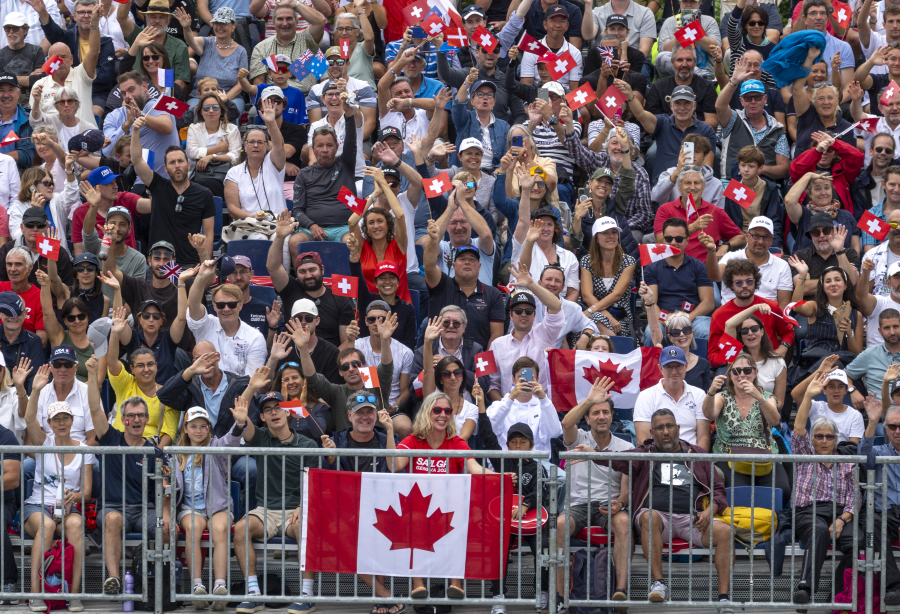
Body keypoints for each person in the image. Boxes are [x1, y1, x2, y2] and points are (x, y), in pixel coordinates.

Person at [607, 407, 731, 607]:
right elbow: (617, 459)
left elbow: (718, 489)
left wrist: (710, 511)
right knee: (649, 517)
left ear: (678, 428)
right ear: (651, 432)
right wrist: (592, 453)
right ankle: (659, 584)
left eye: (669, 426)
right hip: (658, 520)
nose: (665, 432)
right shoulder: (645, 453)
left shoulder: (697, 453)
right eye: (659, 428)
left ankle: (724, 599)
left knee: (725, 532)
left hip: (691, 519)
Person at [390, 391, 497, 599]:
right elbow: (395, 465)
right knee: (415, 521)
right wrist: (388, 431)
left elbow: (473, 467)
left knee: (458, 521)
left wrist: (499, 477)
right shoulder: (413, 440)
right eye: (437, 410)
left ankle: (455, 583)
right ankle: (418, 584)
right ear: (426, 412)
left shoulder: (455, 442)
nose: (443, 415)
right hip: (419, 506)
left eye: (447, 411)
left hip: (448, 505)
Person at [86, 354, 170, 595]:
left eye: (141, 416)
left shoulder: (156, 453)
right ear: (123, 419)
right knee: (112, 519)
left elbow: (166, 486)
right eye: (131, 416)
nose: (136, 420)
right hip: (115, 507)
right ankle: (114, 579)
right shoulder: (111, 439)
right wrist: (92, 376)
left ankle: (159, 583)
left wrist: (165, 514)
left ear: (146, 419)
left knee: (165, 527)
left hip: (146, 510)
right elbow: (94, 407)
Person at [230, 391, 319, 614]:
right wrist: (244, 409)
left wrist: (302, 505)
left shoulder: (308, 444)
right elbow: (245, 424)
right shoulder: (260, 437)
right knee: (241, 529)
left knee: (304, 528)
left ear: (288, 411)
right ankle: (253, 594)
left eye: (278, 407)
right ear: (262, 417)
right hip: (266, 510)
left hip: (295, 510)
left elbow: (314, 484)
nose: (274, 412)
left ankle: (306, 595)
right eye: (268, 410)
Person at [22, 366, 92, 613]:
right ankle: (35, 592)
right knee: (47, 525)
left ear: (72, 420)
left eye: (65, 418)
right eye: (56, 419)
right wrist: (35, 390)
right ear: (50, 423)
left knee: (75, 524)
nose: (61, 423)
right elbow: (29, 419)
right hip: (38, 506)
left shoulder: (85, 449)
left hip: (67, 509)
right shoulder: (44, 441)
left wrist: (75, 496)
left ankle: (74, 594)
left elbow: (87, 490)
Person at [792, 371, 859, 606]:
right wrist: (809, 397)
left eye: (829, 437)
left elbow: (855, 496)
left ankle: (837, 594)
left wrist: (842, 519)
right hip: (809, 512)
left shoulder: (846, 462)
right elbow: (799, 429)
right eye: (818, 436)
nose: (823, 440)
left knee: (858, 544)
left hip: (840, 512)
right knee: (819, 531)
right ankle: (805, 588)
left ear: (836, 440)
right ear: (812, 439)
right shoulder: (804, 455)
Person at [173, 405, 242, 608]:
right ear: (185, 428)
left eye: (203, 426)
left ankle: (220, 586)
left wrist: (239, 424)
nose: (198, 431)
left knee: (219, 528)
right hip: (189, 508)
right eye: (193, 426)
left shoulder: (216, 447)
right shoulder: (176, 454)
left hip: (217, 507)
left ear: (209, 429)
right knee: (193, 527)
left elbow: (231, 440)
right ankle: (197, 587)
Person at [129, 116, 214, 268]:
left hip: (190, 263)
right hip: (160, 263)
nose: (177, 166)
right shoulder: (157, 186)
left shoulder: (204, 194)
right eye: (172, 163)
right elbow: (136, 160)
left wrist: (205, 266)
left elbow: (208, 234)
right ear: (166, 168)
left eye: (180, 161)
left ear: (188, 165)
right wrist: (135, 131)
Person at [703, 352, 790, 498]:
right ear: (730, 374)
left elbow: (775, 421)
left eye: (747, 370)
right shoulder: (722, 397)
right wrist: (711, 392)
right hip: (728, 456)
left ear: (755, 373)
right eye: (736, 371)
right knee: (738, 490)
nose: (742, 375)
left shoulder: (767, 397)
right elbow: (709, 414)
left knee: (781, 489)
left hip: (764, 456)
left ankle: (770, 520)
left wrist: (759, 397)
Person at [297, 314, 399, 437]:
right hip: (345, 452)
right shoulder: (335, 392)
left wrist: (384, 339)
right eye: (345, 366)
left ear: (364, 366)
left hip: (378, 448)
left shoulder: (376, 386)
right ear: (340, 372)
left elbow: (387, 367)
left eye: (355, 364)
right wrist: (303, 348)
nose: (351, 369)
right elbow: (312, 377)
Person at [291, 79, 358, 249]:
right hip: (311, 228)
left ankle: (351, 277)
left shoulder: (346, 164)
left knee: (351, 242)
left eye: (329, 145)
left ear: (337, 147)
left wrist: (349, 115)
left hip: (343, 228)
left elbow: (351, 139)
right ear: (313, 148)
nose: (325, 150)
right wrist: (312, 226)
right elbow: (297, 210)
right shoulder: (304, 174)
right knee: (294, 242)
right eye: (320, 146)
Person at [267, 219, 353, 348]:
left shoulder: (340, 298)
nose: (308, 275)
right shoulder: (290, 289)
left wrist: (326, 362)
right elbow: (273, 267)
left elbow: (346, 342)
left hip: (328, 361)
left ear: (322, 269)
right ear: (296, 273)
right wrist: (280, 237)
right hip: (293, 360)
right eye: (302, 271)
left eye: (312, 270)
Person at [423, 217, 505, 352]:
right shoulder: (441, 285)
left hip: (478, 362)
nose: (467, 262)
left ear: (479, 266)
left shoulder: (493, 294)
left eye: (472, 259)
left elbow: (496, 335)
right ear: (454, 265)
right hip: (439, 358)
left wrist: (484, 364)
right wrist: (433, 240)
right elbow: (429, 267)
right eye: (462, 259)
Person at [488, 262, 564, 397]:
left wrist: (532, 285)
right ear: (510, 315)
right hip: (509, 411)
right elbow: (493, 385)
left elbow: (556, 306)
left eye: (528, 310)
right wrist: (505, 408)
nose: (523, 314)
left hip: (540, 409)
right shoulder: (497, 345)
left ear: (534, 315)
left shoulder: (545, 333)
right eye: (518, 310)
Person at [107, 306, 180, 447]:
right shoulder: (125, 384)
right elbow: (112, 363)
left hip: (151, 452)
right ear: (132, 369)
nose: (146, 369)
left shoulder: (168, 394)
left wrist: (154, 458)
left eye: (150, 364)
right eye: (140, 365)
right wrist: (115, 334)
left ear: (156, 366)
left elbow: (169, 432)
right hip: (119, 449)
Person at [186, 258, 267, 377]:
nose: (226, 309)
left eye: (232, 304)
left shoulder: (255, 338)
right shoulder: (206, 325)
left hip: (240, 394)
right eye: (220, 305)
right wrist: (201, 276)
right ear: (214, 306)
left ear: (240, 305)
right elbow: (193, 305)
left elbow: (252, 383)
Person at [857, 385, 900, 606]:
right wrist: (872, 422)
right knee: (872, 524)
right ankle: (893, 586)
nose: (898, 431)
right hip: (887, 514)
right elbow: (863, 456)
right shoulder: (881, 452)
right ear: (887, 429)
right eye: (892, 426)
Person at [708, 259, 794, 369]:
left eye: (749, 281)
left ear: (755, 282)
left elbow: (788, 331)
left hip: (768, 363)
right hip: (736, 369)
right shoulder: (719, 314)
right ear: (731, 285)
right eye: (739, 282)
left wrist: (783, 348)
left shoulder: (771, 307)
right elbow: (712, 356)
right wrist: (729, 360)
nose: (744, 286)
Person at [36, 0, 116, 117]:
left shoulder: (106, 42)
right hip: (67, 90)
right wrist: (43, 13)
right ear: (74, 16)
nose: (86, 16)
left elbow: (105, 75)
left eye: (90, 12)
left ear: (97, 16)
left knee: (95, 113)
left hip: (96, 92)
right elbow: (53, 33)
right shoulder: (68, 36)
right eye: (81, 12)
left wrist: (75, 74)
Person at [642, 219, 714, 346]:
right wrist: (669, 322)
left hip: (693, 318)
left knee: (706, 331)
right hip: (662, 319)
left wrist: (685, 320)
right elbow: (651, 302)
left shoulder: (699, 266)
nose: (673, 243)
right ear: (663, 240)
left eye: (679, 239)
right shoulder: (652, 268)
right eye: (669, 239)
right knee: (649, 333)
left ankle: (703, 366)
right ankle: (654, 366)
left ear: (687, 240)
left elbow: (708, 303)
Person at [653, 167, 744, 263]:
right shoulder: (665, 210)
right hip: (673, 268)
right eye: (687, 183)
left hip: (705, 272)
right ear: (679, 187)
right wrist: (693, 227)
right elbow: (661, 241)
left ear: (703, 187)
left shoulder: (715, 212)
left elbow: (740, 237)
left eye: (697, 183)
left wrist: (725, 246)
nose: (692, 187)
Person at [30, 6, 99, 129]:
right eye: (56, 58)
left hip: (84, 139)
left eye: (64, 57)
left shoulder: (82, 75)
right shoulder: (39, 85)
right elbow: (35, 122)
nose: (60, 61)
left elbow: (93, 51)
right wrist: (36, 102)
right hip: (54, 142)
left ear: (72, 59)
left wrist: (94, 24)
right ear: (48, 61)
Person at [347, 167, 411, 303]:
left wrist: (383, 183)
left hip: (400, 309)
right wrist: (375, 194)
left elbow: (399, 215)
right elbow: (352, 222)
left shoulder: (399, 245)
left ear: (388, 226)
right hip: (370, 311)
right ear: (366, 228)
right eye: (371, 223)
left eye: (380, 221)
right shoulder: (362, 247)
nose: (376, 226)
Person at [716, 67, 790, 182]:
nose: (753, 101)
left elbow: (783, 168)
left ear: (765, 99)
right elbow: (719, 107)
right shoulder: (733, 119)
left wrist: (760, 170)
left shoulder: (777, 129)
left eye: (758, 97)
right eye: (748, 98)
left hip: (764, 185)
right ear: (741, 101)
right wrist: (733, 82)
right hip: (733, 182)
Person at [789, 261, 864, 369]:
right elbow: (796, 307)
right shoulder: (814, 307)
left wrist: (849, 334)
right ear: (823, 287)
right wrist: (802, 276)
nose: (833, 284)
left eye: (837, 280)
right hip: (815, 364)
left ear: (845, 285)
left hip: (844, 367)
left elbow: (858, 355)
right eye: (828, 281)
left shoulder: (856, 315)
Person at [347, 236, 416, 352]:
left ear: (398, 282)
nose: (387, 282)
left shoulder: (408, 309)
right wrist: (354, 255)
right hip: (366, 357)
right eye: (382, 278)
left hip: (397, 359)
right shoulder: (366, 300)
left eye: (392, 278)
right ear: (376, 283)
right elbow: (357, 275)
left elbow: (408, 345)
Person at [223, 98, 286, 220]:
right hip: (249, 224)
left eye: (260, 142)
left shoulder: (273, 163)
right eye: (251, 142)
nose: (256, 145)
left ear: (267, 146)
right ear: (244, 146)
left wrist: (271, 123)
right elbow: (232, 209)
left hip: (278, 225)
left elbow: (279, 146)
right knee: (258, 237)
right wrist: (253, 217)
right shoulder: (234, 173)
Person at [708, 216, 791, 306]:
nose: (760, 241)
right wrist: (711, 251)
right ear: (747, 236)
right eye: (756, 236)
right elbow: (714, 277)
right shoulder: (730, 257)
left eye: (766, 237)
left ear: (772, 240)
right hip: (731, 316)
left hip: (765, 317)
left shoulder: (782, 266)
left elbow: (784, 305)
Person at [179, 7, 247, 116]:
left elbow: (241, 84)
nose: (219, 27)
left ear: (233, 26)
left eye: (223, 23)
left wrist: (224, 99)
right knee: (193, 113)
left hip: (229, 97)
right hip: (200, 96)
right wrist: (187, 28)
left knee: (231, 113)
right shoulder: (207, 42)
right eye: (216, 23)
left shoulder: (241, 52)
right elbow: (190, 41)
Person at [420, 316, 479, 441]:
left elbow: (462, 439)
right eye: (446, 373)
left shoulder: (471, 408)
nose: (453, 377)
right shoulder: (432, 399)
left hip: (457, 457)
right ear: (440, 379)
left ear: (463, 376)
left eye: (457, 373)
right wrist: (427, 341)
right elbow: (428, 370)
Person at [486, 355, 562, 452]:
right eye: (521, 378)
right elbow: (491, 429)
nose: (525, 381)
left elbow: (554, 432)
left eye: (530, 378)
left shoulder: (544, 406)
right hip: (506, 464)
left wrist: (543, 398)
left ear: (537, 380)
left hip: (536, 464)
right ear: (513, 380)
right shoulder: (498, 405)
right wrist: (511, 398)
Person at [247, 1, 325, 94]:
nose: (284, 23)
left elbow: (320, 21)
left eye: (289, 18)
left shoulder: (307, 39)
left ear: (296, 21)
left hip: (306, 99)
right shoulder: (261, 47)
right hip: (273, 99)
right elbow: (258, 84)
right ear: (274, 22)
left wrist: (294, 3)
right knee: (253, 110)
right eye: (280, 19)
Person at [579, 216, 637, 338]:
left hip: (621, 319)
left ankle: (612, 348)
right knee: (596, 318)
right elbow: (587, 296)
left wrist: (592, 311)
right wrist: (607, 316)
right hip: (595, 315)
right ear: (596, 239)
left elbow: (616, 295)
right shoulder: (586, 261)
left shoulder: (629, 261)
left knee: (595, 318)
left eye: (614, 232)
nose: (611, 236)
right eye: (605, 233)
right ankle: (615, 348)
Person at [73, 165, 149, 256]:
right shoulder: (80, 213)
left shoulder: (124, 198)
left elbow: (151, 206)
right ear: (94, 189)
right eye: (109, 183)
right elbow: (79, 254)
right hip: (99, 265)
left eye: (115, 182)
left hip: (129, 265)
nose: (116, 186)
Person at [792, 47, 856, 156]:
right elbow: (797, 87)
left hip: (835, 172)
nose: (826, 102)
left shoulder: (846, 128)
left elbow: (853, 159)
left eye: (830, 98)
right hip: (806, 171)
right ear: (813, 101)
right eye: (821, 98)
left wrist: (835, 69)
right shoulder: (806, 117)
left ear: (837, 101)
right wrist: (809, 59)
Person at [35, 267, 95, 381]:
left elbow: (98, 381)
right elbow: (47, 313)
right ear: (65, 321)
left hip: (86, 395)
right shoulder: (59, 336)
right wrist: (45, 285)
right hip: (58, 393)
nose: (77, 321)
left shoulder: (97, 342)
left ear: (87, 317)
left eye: (81, 317)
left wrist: (77, 393)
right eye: (71, 318)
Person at [117, 0, 190, 92]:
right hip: (136, 94)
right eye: (153, 17)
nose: (157, 21)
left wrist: (160, 99)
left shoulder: (179, 46)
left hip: (165, 96)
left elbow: (180, 82)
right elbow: (121, 18)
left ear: (169, 20)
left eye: (162, 17)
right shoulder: (138, 35)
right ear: (146, 19)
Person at [790, 131, 864, 220]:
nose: (824, 152)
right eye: (821, 148)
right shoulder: (804, 171)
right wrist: (816, 152)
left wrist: (835, 143)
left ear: (834, 154)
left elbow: (858, 157)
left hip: (839, 223)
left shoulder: (843, 171)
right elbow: (794, 168)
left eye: (829, 149)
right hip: (806, 223)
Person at [644, 297, 712, 392]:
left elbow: (706, 397)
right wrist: (649, 302)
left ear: (692, 333)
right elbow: (654, 329)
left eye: (686, 331)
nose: (682, 334)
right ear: (670, 337)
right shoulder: (663, 357)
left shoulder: (703, 364)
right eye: (676, 332)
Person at [10, 163, 79, 256]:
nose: (51, 186)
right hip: (33, 261)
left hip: (59, 259)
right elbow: (17, 235)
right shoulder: (18, 208)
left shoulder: (55, 200)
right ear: (32, 186)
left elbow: (72, 194)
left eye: (51, 183)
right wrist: (35, 213)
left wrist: (69, 171)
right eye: (46, 183)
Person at [185, 91, 241, 198]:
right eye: (206, 108)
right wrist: (218, 148)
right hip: (198, 175)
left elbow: (234, 157)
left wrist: (211, 157)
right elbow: (192, 153)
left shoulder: (232, 129)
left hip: (225, 176)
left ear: (221, 110)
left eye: (215, 107)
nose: (211, 111)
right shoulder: (194, 128)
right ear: (201, 111)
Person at [792, 365, 864, 443]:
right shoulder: (816, 407)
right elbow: (796, 394)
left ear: (845, 390)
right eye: (831, 386)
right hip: (816, 454)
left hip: (842, 454)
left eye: (840, 386)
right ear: (824, 390)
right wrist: (818, 372)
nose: (836, 390)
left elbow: (852, 448)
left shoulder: (855, 416)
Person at [654, 0, 721, 80]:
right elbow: (662, 51)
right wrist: (677, 38)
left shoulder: (709, 21)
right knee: (661, 57)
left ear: (700, 3)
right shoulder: (669, 22)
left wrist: (695, 33)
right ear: (680, 3)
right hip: (675, 71)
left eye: (693, 2)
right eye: (685, 1)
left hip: (706, 69)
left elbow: (716, 47)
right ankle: (701, 75)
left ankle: (702, 75)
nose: (689, 5)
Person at [0, 290, 43, 393]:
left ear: (25, 314)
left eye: (18, 312)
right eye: (8, 312)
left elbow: (35, 379)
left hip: (22, 397)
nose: (12, 317)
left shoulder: (34, 341)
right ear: (1, 314)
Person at [857, 162, 900, 254]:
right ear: (883, 184)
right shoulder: (870, 216)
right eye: (892, 184)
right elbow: (869, 255)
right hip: (880, 266)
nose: (896, 189)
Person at [0, 70, 36, 170]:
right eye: (1, 90)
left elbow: (27, 155)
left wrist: (1, 159)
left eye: (10, 90)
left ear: (18, 93)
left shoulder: (28, 120)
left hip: (18, 176)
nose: (6, 95)